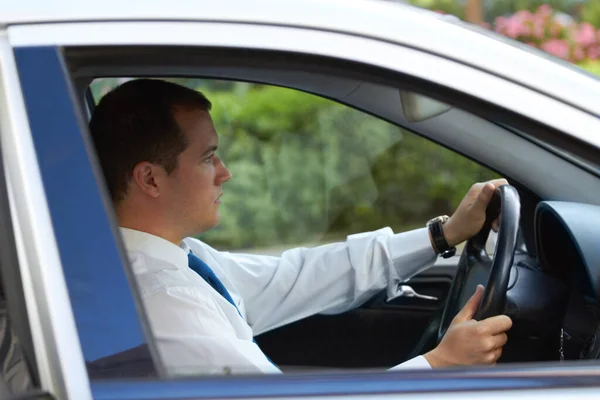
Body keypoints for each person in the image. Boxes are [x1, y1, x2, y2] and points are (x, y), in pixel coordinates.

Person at [89, 79, 512, 376]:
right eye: (207, 157)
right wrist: (439, 366)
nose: (225, 173)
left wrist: (442, 235)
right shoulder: (165, 306)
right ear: (150, 179)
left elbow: (297, 276)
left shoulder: (181, 259)